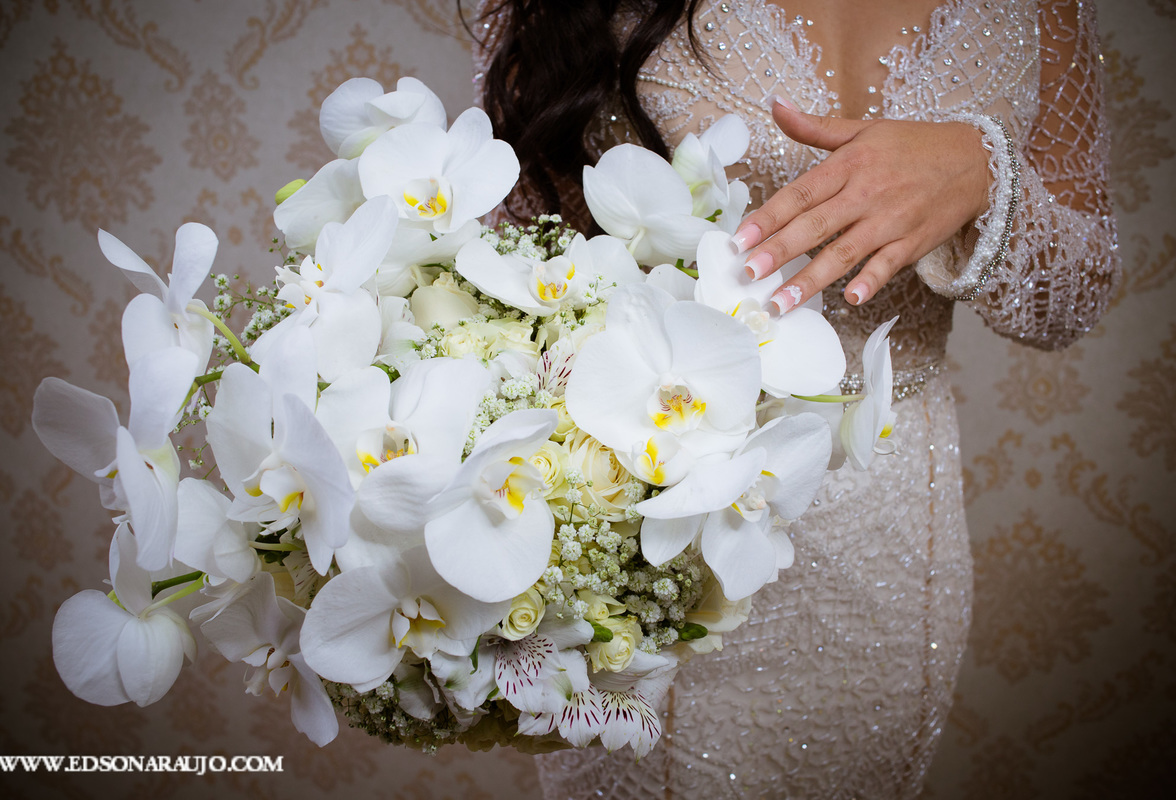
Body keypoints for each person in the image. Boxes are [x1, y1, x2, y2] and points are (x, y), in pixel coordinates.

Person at [472, 1, 1118, 797]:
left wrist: (982, 174)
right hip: (650, 498)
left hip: (891, 525)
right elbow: (508, 267)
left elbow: (1072, 299)